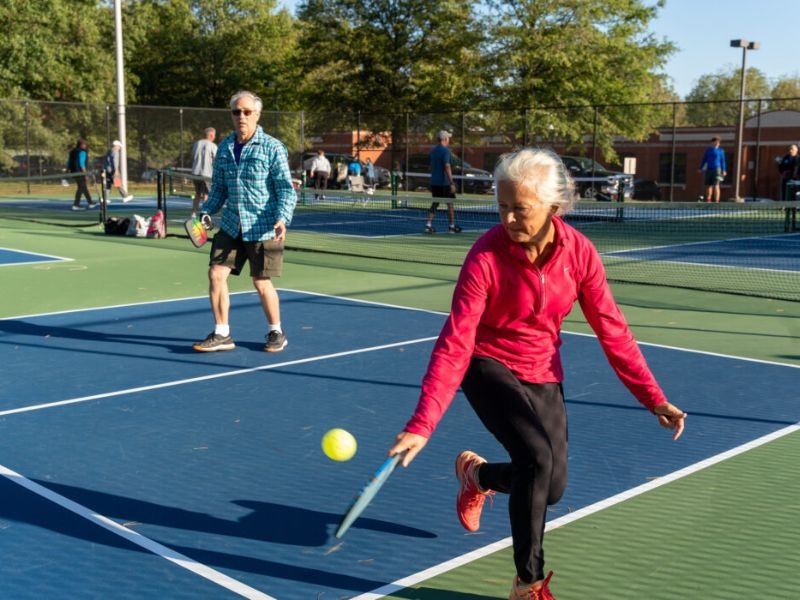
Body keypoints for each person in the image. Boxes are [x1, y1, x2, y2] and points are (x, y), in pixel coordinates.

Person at [387, 148, 687, 600]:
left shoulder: (579, 253)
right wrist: (422, 423)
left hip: (542, 367)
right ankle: (528, 583)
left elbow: (613, 329)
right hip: (486, 362)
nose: (508, 218)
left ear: (553, 206)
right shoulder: (485, 256)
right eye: (502, 206)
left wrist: (652, 396)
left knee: (551, 487)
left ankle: (480, 477)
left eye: (520, 208)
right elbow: (456, 340)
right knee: (536, 459)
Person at [192, 90, 297, 354]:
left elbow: (285, 189)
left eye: (247, 112)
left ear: (257, 115)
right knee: (216, 273)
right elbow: (219, 189)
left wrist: (282, 217)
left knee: (261, 281)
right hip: (231, 224)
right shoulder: (225, 147)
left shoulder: (272, 147)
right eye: (236, 111)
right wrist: (206, 212)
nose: (241, 116)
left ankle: (276, 331)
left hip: (263, 226)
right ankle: (222, 333)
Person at [424, 130, 461, 234]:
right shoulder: (446, 151)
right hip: (444, 183)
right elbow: (447, 166)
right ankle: (451, 227)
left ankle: (428, 225)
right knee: (450, 204)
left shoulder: (433, 151)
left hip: (434, 182)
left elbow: (430, 166)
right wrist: (451, 183)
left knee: (435, 203)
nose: (449, 140)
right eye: (448, 138)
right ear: (445, 139)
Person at [190, 127, 217, 215]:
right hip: (206, 174)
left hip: (195, 173)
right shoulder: (212, 146)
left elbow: (193, 156)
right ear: (211, 135)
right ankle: (204, 214)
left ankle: (193, 214)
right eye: (214, 135)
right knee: (206, 194)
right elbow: (216, 159)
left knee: (197, 193)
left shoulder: (196, 144)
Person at [67, 138, 96, 210]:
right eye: (85, 144)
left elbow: (68, 162)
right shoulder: (82, 152)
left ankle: (90, 202)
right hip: (80, 173)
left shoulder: (72, 151)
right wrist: (85, 174)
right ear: (82, 145)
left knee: (83, 187)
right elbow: (81, 163)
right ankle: (76, 205)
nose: (85, 146)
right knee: (81, 188)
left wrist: (68, 170)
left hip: (73, 172)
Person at [698, 136, 726, 203]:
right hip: (709, 169)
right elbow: (704, 159)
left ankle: (716, 201)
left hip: (717, 170)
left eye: (718, 142)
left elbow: (723, 161)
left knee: (716, 185)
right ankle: (708, 200)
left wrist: (724, 170)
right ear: (712, 142)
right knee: (708, 185)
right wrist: (700, 168)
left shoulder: (720, 151)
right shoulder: (708, 150)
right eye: (715, 142)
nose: (717, 143)